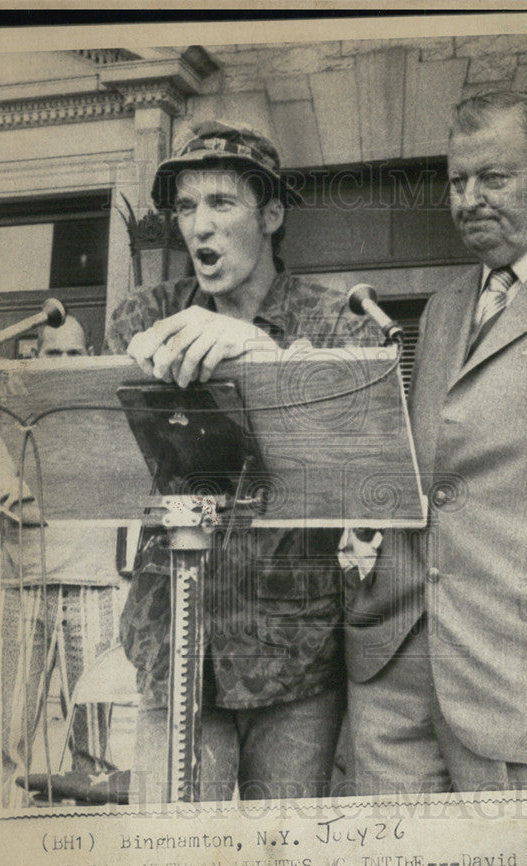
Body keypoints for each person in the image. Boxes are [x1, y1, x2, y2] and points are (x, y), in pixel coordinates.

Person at [346, 91, 527, 793]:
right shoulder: (444, 307)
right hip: (400, 686)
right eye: (455, 181)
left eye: (493, 178)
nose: (469, 199)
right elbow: (426, 477)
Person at [103, 120, 377, 803]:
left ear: (272, 214)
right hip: (172, 644)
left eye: (221, 203)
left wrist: (260, 351)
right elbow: (115, 462)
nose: (199, 226)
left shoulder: (339, 322)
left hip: (292, 656)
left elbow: (359, 474)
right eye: (187, 207)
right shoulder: (145, 319)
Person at [1, 317, 126, 807]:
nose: (66, 364)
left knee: (92, 747)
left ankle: (87, 845)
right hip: (21, 586)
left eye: (76, 354)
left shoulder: (105, 411)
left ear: (89, 352)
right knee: (6, 735)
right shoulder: (7, 412)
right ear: (35, 353)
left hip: (93, 587)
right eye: (56, 354)